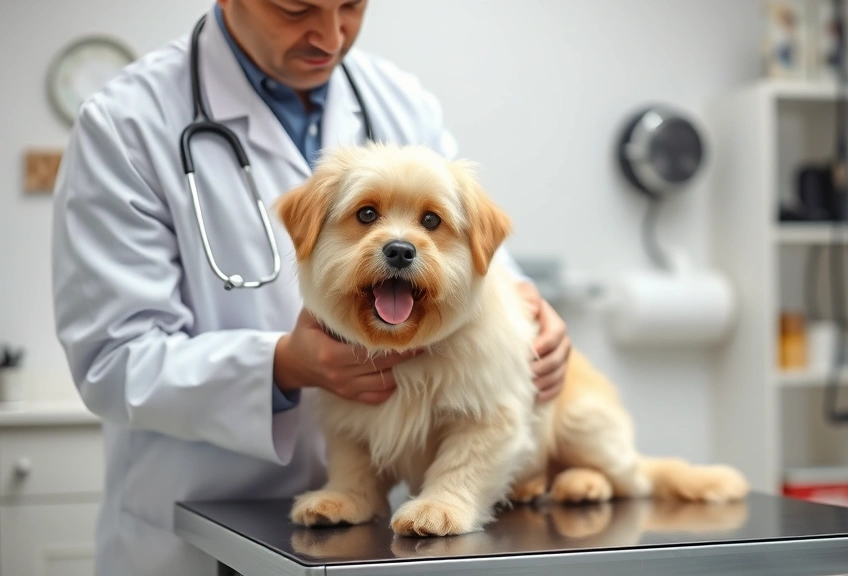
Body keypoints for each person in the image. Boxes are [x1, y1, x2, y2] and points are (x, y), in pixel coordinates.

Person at [49, 1, 572, 574]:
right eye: (296, 8)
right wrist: (283, 364)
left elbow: (463, 243)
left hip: (364, 540)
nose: (329, 34)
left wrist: (531, 314)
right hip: (196, 524)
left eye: (351, 6)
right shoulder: (125, 123)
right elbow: (114, 360)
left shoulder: (395, 97)